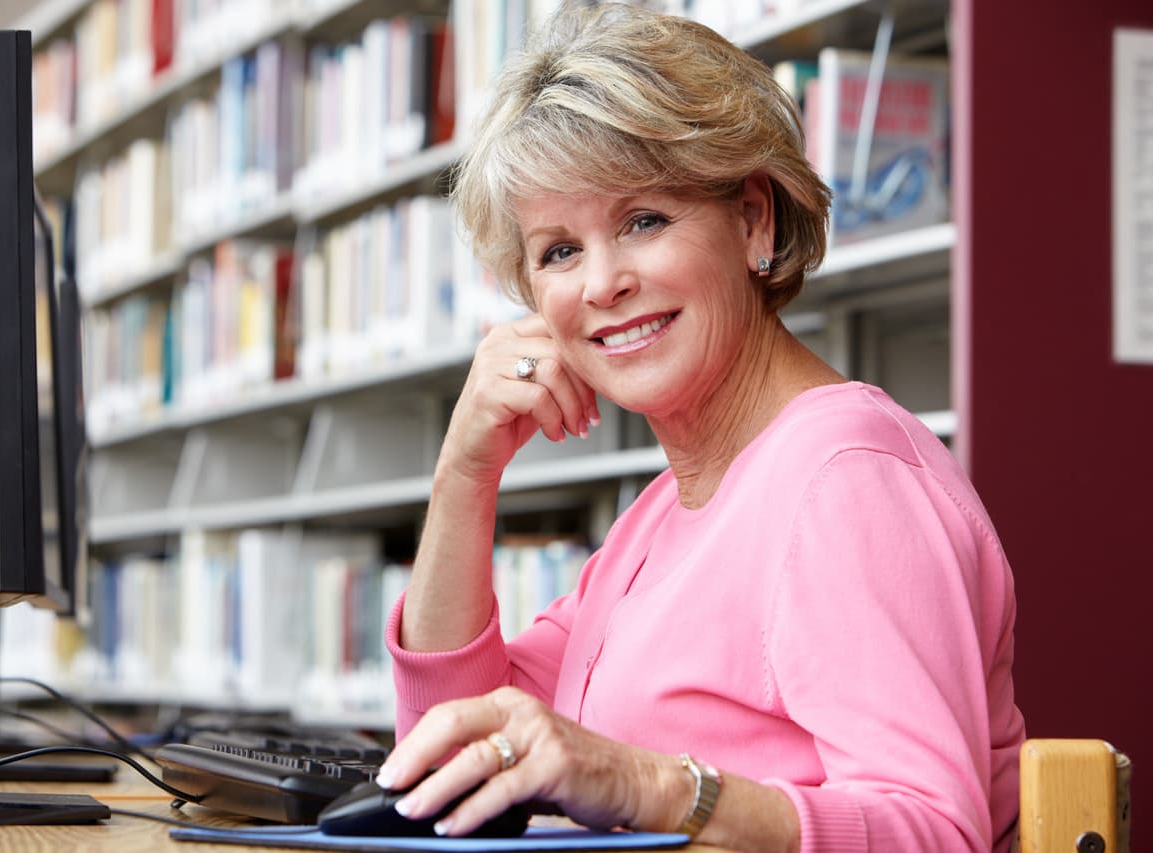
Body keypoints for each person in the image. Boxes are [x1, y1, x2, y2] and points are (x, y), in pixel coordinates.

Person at [376, 4, 1026, 852]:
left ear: (754, 220)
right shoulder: (659, 518)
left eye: (644, 220)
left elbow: (938, 834)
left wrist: (646, 783)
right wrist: (465, 475)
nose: (602, 283)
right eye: (559, 251)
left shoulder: (848, 477)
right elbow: (454, 753)